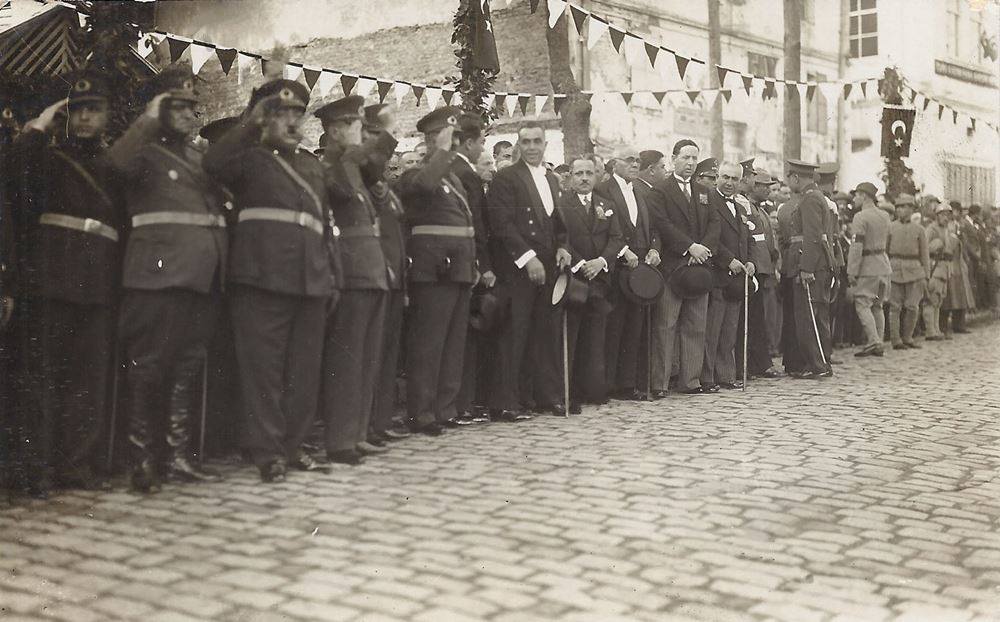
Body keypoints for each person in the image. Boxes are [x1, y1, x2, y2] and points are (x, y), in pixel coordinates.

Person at [202, 79, 339, 483]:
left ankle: (294, 446)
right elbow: (212, 165)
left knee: (304, 371)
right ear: (266, 119)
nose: (293, 123)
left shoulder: (312, 166)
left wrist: (329, 275)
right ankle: (268, 452)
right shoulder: (248, 157)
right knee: (263, 371)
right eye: (282, 115)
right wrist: (250, 123)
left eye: (297, 114)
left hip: (310, 280)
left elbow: (322, 225)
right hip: (261, 279)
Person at [106, 69, 227, 491]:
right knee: (148, 371)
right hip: (156, 277)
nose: (188, 114)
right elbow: (115, 165)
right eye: (178, 105)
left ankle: (177, 457)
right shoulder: (142, 151)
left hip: (201, 279)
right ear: (159, 106)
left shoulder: (198, 159)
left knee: (186, 371)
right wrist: (147, 119)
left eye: (192, 107)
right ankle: (142, 460)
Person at [7, 71, 122, 496]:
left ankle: (76, 465)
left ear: (108, 116)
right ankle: (35, 469)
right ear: (67, 116)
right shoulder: (46, 159)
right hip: (51, 281)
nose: (87, 118)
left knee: (86, 381)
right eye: (79, 111)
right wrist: (38, 127)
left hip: (97, 284)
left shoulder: (115, 168)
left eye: (95, 110)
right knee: (42, 379)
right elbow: (13, 174)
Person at [316, 95, 395, 465]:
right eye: (354, 127)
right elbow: (344, 193)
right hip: (350, 270)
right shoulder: (330, 165)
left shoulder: (352, 166)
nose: (361, 135)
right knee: (347, 359)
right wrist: (357, 151)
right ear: (334, 131)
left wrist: (380, 137)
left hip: (371, 269)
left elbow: (373, 182)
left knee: (366, 358)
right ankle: (340, 439)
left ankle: (358, 432)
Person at [397, 107, 478, 435]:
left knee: (452, 345)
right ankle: (423, 413)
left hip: (457, 269)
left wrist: (472, 264)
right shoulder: (415, 175)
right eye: (446, 138)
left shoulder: (454, 179)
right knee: (429, 345)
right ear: (431, 140)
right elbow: (427, 184)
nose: (453, 145)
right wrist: (442, 151)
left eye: (454, 139)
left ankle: (444, 408)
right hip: (434, 271)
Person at [486, 122, 570, 418]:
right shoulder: (506, 178)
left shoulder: (551, 180)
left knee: (544, 332)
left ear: (545, 145)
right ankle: (506, 401)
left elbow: (557, 222)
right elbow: (502, 225)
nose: (532, 147)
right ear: (518, 146)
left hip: (548, 264)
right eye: (526, 142)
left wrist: (562, 246)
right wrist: (528, 258)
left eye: (537, 141)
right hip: (519, 266)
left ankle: (545, 397)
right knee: (515, 332)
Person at [645, 139, 721, 394]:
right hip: (672, 267)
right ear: (674, 158)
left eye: (694, 159)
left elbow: (714, 225)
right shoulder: (661, 190)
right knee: (666, 325)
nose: (690, 163)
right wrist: (689, 247)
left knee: (696, 325)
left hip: (698, 268)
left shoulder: (705, 192)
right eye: (685, 157)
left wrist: (702, 250)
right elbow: (662, 224)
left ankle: (690, 381)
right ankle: (660, 383)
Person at [557, 156, 624, 411]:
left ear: (596, 176)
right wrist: (581, 263)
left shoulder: (607, 205)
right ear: (571, 177)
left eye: (589, 173)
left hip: (600, 278)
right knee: (572, 335)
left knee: (596, 336)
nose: (584, 178)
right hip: (574, 279)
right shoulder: (562, 205)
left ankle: (593, 388)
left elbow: (616, 238)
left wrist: (601, 262)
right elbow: (560, 238)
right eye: (579, 173)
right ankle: (569, 391)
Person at [364, 105, 411, 445]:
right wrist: (385, 133)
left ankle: (379, 422)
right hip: (376, 277)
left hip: (395, 281)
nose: (390, 168)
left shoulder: (387, 192)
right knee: (371, 355)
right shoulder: (365, 183)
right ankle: (365, 423)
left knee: (388, 356)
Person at [597, 147, 660, 401]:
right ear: (614, 165)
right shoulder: (604, 190)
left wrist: (655, 248)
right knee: (615, 326)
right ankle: (609, 384)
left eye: (637, 161)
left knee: (635, 325)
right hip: (618, 266)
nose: (635, 164)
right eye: (629, 160)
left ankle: (628, 384)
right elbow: (602, 230)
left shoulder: (640, 192)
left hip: (642, 267)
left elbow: (652, 227)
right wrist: (623, 251)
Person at [451, 113, 495, 425]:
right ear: (469, 143)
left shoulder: (459, 171)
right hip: (470, 265)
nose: (482, 148)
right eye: (481, 142)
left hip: (464, 263)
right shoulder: (465, 175)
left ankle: (463, 403)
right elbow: (475, 226)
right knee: (465, 337)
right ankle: (462, 404)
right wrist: (485, 265)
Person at [701, 161, 754, 391]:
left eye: (734, 179)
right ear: (717, 177)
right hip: (717, 272)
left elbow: (746, 240)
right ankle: (708, 376)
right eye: (725, 177)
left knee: (730, 329)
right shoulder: (708, 201)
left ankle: (725, 375)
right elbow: (711, 237)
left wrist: (750, 261)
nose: (729, 183)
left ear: (741, 181)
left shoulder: (741, 208)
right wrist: (727, 259)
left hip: (737, 277)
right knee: (712, 329)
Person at [782, 160, 835, 378]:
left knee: (809, 317)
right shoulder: (813, 197)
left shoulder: (810, 199)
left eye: (789, 178)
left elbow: (812, 237)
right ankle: (818, 362)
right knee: (815, 315)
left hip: (810, 265)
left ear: (795, 178)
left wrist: (806, 268)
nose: (788, 182)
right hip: (815, 263)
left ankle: (818, 364)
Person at [743, 169, 782, 378]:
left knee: (763, 318)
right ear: (753, 186)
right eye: (763, 185)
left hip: (764, 269)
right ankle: (755, 363)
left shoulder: (762, 210)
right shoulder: (748, 208)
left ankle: (761, 361)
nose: (768, 189)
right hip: (755, 269)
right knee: (755, 319)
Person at [847, 182, 892, 357]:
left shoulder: (860, 217)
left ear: (864, 196)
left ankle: (873, 341)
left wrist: (852, 271)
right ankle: (878, 341)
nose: (855, 198)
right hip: (883, 264)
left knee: (862, 304)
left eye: (857, 195)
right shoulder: (885, 216)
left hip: (867, 266)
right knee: (877, 305)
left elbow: (857, 246)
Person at [886, 193, 929, 349]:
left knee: (912, 306)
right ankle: (896, 340)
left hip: (915, 270)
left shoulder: (919, 229)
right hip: (894, 268)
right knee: (895, 306)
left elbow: (925, 254)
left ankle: (908, 337)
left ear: (911, 209)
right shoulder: (890, 227)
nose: (901, 210)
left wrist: (926, 275)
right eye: (899, 207)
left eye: (905, 207)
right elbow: (885, 249)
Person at [942, 201, 976, 335]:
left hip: (959, 263)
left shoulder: (959, 225)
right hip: (950, 263)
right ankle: (944, 325)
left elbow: (964, 244)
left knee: (961, 294)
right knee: (948, 296)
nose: (952, 215)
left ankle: (959, 324)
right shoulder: (945, 227)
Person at [923, 203, 956, 341]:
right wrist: (936, 245)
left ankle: (936, 329)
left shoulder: (946, 230)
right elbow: (924, 247)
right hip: (934, 267)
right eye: (943, 214)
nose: (946, 217)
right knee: (931, 299)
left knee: (939, 301)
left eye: (948, 215)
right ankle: (930, 330)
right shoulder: (931, 229)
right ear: (937, 216)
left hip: (944, 268)